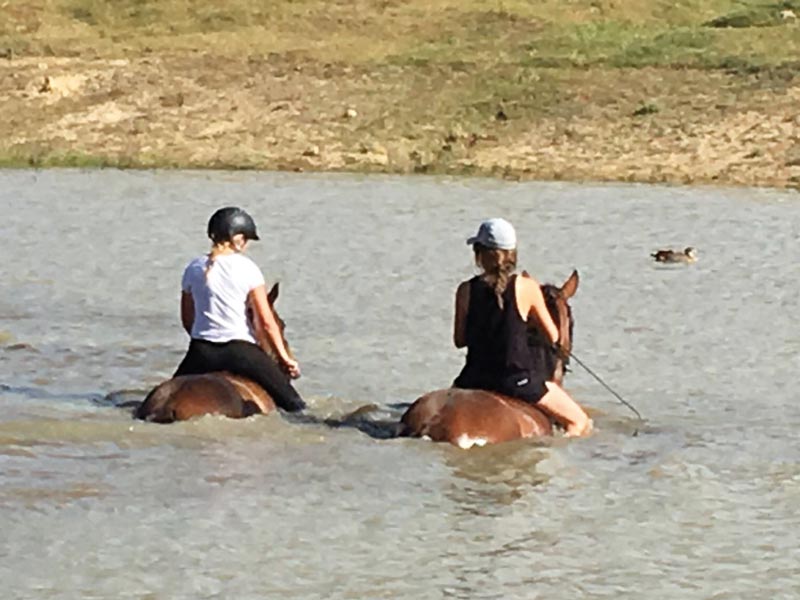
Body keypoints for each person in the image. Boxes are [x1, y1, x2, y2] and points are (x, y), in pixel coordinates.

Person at [452, 218, 591, 436]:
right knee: (580, 422)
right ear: (512, 254)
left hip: (472, 379)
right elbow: (554, 337)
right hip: (516, 381)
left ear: (478, 254)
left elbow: (459, 340)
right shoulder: (526, 287)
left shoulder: (465, 290)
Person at [173, 206, 306, 412]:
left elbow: (187, 318)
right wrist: (284, 358)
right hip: (240, 352)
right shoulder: (247, 268)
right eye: (245, 240)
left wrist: (205, 337)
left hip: (200, 352)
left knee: (168, 393)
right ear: (237, 239)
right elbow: (266, 322)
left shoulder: (193, 268)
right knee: (295, 405)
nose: (246, 245)